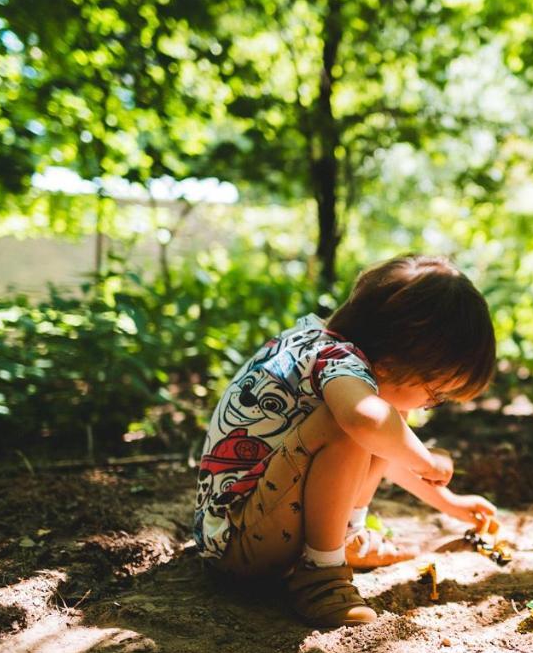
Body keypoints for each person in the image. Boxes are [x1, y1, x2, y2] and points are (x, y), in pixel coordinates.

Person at [193, 255, 498, 627]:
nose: (432, 404)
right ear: (391, 362)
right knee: (353, 422)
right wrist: (429, 461)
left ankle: (341, 538)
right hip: (237, 543)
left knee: (383, 420)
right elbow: (364, 422)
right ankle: (321, 572)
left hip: (256, 522)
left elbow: (385, 445)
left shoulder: (327, 348)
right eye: (434, 392)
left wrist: (451, 503)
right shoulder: (340, 366)